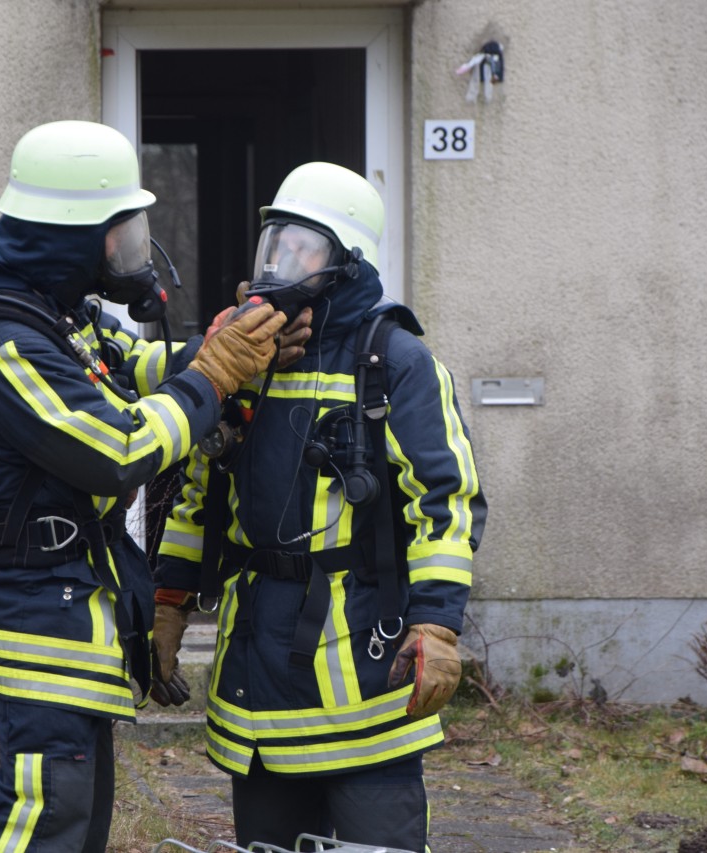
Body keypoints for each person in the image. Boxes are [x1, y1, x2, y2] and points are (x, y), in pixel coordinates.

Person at [0, 120, 291, 852]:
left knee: (77, 822)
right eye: (120, 231)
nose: (133, 250)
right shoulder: (5, 346)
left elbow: (139, 372)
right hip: (36, 621)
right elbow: (117, 448)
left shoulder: (59, 320)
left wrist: (231, 339)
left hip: (72, 612)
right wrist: (215, 375)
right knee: (44, 816)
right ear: (67, 238)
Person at [151, 162, 487, 851]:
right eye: (274, 243)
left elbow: (445, 498)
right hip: (257, 685)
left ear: (345, 262)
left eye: (304, 247)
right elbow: (199, 492)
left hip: (365, 674)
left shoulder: (394, 360)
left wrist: (437, 625)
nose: (281, 263)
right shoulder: (246, 358)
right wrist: (169, 603)